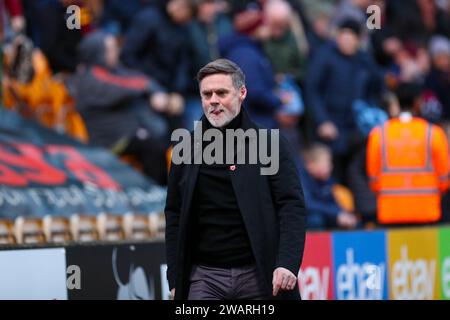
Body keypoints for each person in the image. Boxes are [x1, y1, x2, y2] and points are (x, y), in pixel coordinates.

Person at [164, 58, 306, 300]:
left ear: (242, 93)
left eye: (221, 92)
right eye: (206, 94)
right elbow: (174, 214)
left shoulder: (270, 143)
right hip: (204, 277)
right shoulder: (185, 147)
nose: (213, 101)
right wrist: (175, 277)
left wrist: (287, 263)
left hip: (260, 275)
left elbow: (291, 206)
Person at [367, 82, 450, 225]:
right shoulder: (433, 133)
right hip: (427, 212)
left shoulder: (378, 134)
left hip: (390, 213)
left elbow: (373, 179)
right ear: (417, 102)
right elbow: (444, 178)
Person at [300, 143, 358, 230]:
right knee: (316, 220)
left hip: (326, 215)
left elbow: (332, 201)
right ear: (310, 165)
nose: (330, 167)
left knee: (353, 221)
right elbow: (308, 204)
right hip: (306, 219)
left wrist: (343, 214)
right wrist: (336, 214)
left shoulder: (327, 180)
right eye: (326, 163)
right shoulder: (300, 179)